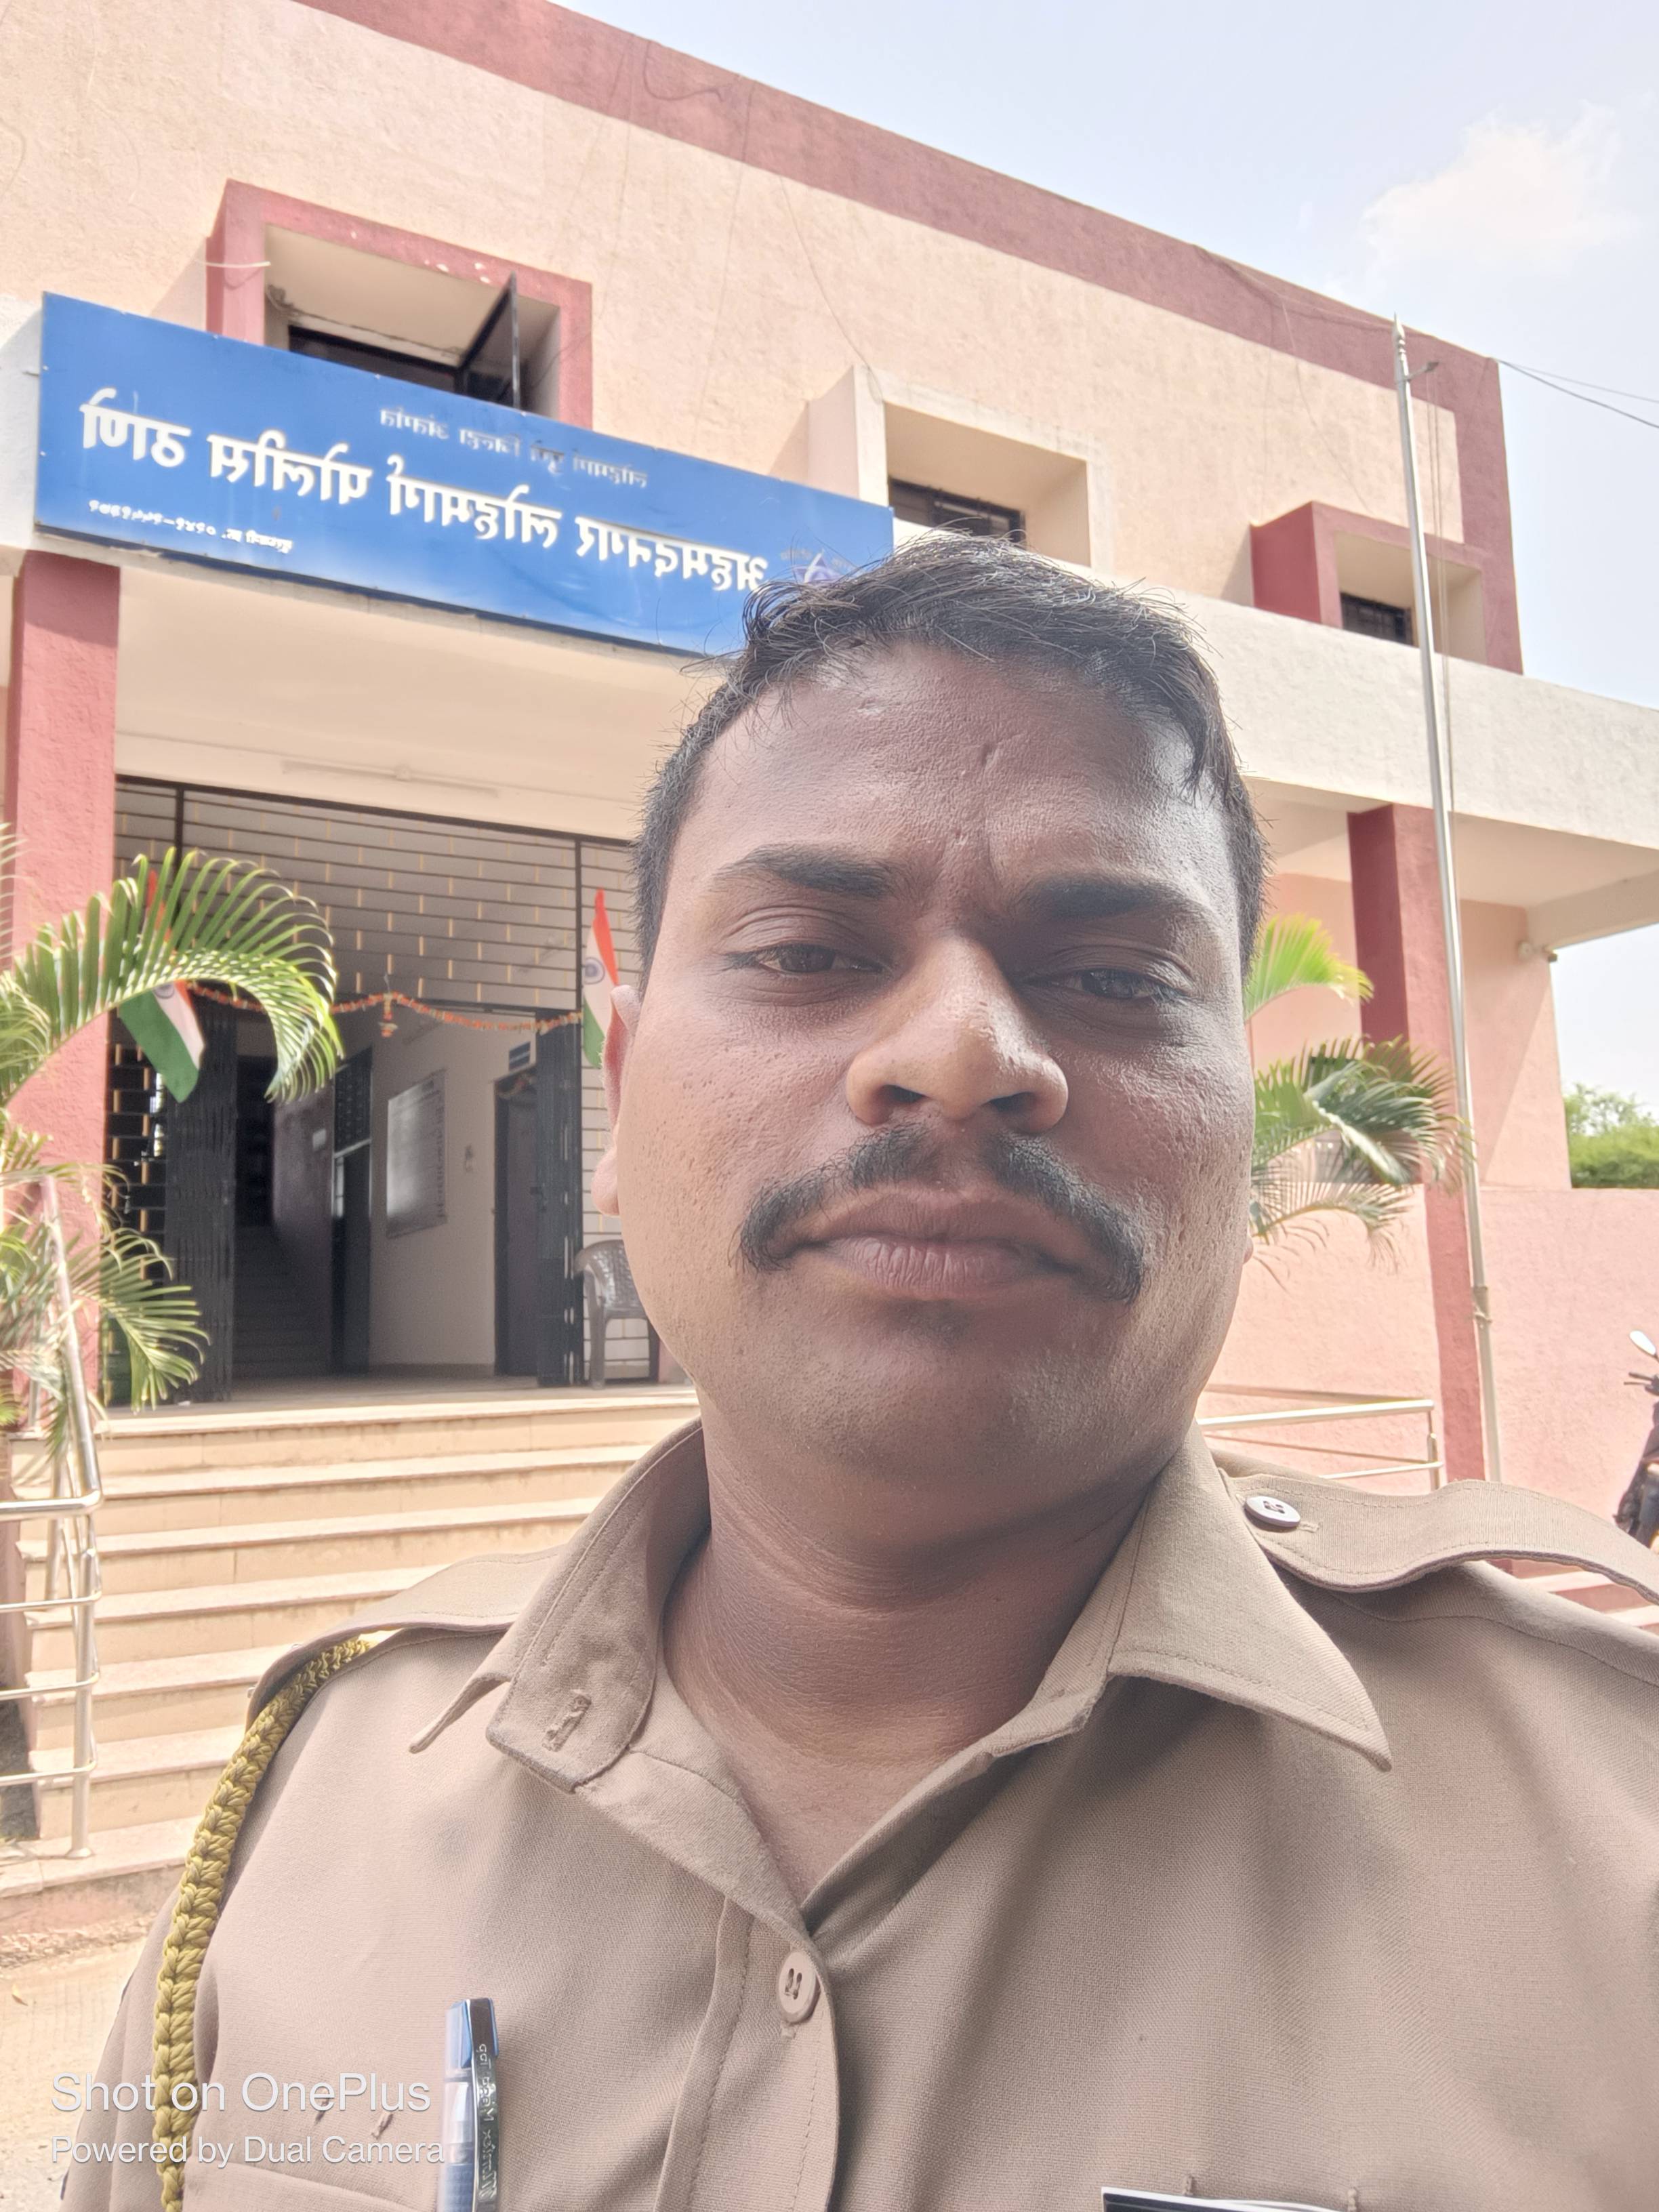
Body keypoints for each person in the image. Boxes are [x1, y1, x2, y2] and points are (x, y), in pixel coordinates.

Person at [68, 537, 1659, 2212]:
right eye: (807, 953)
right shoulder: (310, 1816)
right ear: (620, 1095)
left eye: (1116, 979)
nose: (961, 1053)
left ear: (1241, 1121)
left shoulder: (1615, 1842)